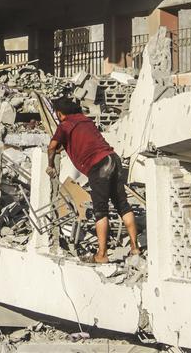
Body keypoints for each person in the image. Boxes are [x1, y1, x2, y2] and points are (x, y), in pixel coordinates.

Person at [46, 97, 140, 263]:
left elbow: (52, 146)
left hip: (98, 167)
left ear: (59, 113)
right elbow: (75, 142)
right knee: (123, 205)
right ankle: (135, 249)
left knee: (100, 211)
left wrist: (50, 164)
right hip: (113, 159)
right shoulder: (85, 121)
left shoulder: (65, 125)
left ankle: (102, 255)